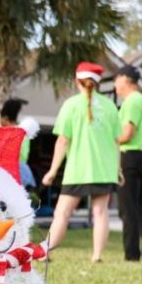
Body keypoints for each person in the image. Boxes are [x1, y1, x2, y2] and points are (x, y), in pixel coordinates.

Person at [42, 61, 121, 262]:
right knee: (101, 212)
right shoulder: (110, 107)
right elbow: (116, 143)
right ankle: (96, 256)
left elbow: (63, 141)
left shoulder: (70, 105)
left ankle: (45, 252)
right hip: (105, 170)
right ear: (98, 83)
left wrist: (52, 171)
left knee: (62, 213)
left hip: (78, 170)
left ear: (77, 81)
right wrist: (118, 170)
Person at [114, 64, 142, 261]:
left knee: (127, 209)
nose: (115, 84)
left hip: (130, 157)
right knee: (141, 208)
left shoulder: (131, 102)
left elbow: (127, 134)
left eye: (116, 79)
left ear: (125, 79)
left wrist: (110, 140)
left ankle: (131, 254)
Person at [0, 98, 37, 189]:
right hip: (24, 172)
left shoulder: (7, 134)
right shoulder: (23, 133)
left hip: (12, 173)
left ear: (5, 118)